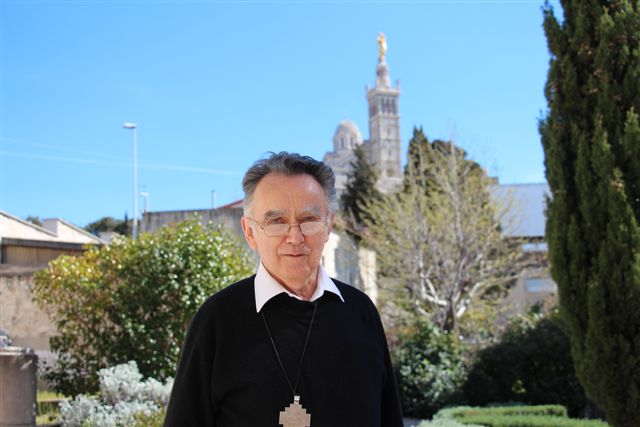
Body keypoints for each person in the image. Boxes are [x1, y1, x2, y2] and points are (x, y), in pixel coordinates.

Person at [164, 152, 403, 427]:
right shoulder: (217, 321)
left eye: (309, 219)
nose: (294, 237)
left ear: (328, 226)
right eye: (276, 222)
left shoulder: (362, 313)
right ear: (250, 232)